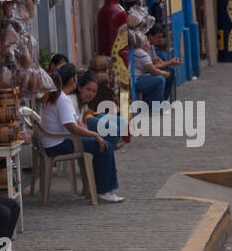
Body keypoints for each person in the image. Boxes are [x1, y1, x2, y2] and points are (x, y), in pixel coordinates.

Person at [40, 64, 124, 202]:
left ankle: (97, 187)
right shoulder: (63, 99)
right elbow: (72, 127)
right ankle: (105, 191)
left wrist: (91, 134)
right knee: (105, 147)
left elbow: (77, 122)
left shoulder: (62, 97)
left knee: (102, 143)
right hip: (59, 144)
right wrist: (95, 135)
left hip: (61, 141)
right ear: (73, 81)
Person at [149, 28, 181, 101]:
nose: (160, 40)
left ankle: (163, 100)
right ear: (150, 36)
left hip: (151, 69)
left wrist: (170, 62)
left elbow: (157, 63)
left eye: (161, 37)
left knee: (170, 71)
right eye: (158, 37)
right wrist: (170, 62)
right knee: (164, 75)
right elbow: (151, 67)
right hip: (145, 72)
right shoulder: (145, 47)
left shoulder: (152, 46)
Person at [131, 42, 167, 107]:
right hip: (135, 82)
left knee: (154, 78)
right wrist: (164, 73)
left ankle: (148, 106)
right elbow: (153, 70)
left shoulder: (136, 51)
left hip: (136, 79)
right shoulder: (142, 53)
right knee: (160, 79)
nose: (149, 45)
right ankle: (155, 108)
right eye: (147, 42)